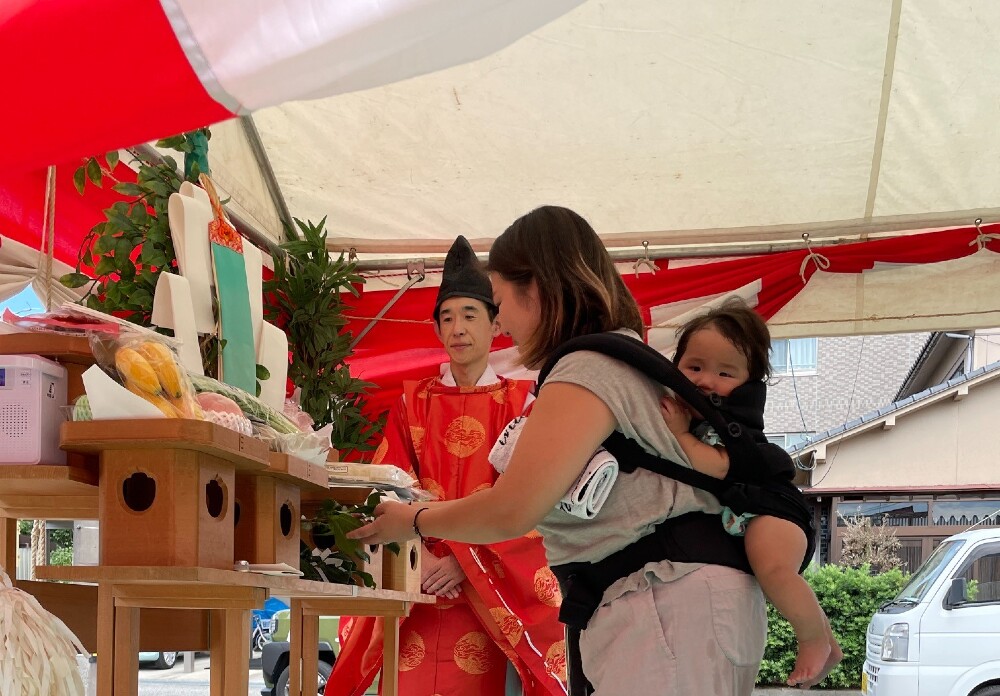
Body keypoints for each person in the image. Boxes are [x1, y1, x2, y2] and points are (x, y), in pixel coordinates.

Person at [349, 205, 804, 695]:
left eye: (498, 304)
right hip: (673, 600)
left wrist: (411, 519)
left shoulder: (586, 368)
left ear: (537, 290)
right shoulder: (615, 354)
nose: (500, 326)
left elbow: (511, 509)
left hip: (662, 600)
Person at [326, 236, 567, 696]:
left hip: (488, 594)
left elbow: (532, 500)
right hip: (418, 578)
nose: (458, 327)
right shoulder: (410, 402)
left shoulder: (522, 403)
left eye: (470, 315)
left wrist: (464, 559)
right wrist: (422, 558)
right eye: (447, 317)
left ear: (496, 325)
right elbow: (387, 485)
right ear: (436, 330)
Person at [659, 298, 843, 687]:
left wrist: (677, 435)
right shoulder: (698, 414)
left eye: (725, 373)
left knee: (773, 569)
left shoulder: (729, 428)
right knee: (779, 573)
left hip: (775, 511)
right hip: (760, 510)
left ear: (749, 385)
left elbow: (713, 465)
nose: (705, 381)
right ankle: (827, 640)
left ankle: (810, 639)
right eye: (694, 367)